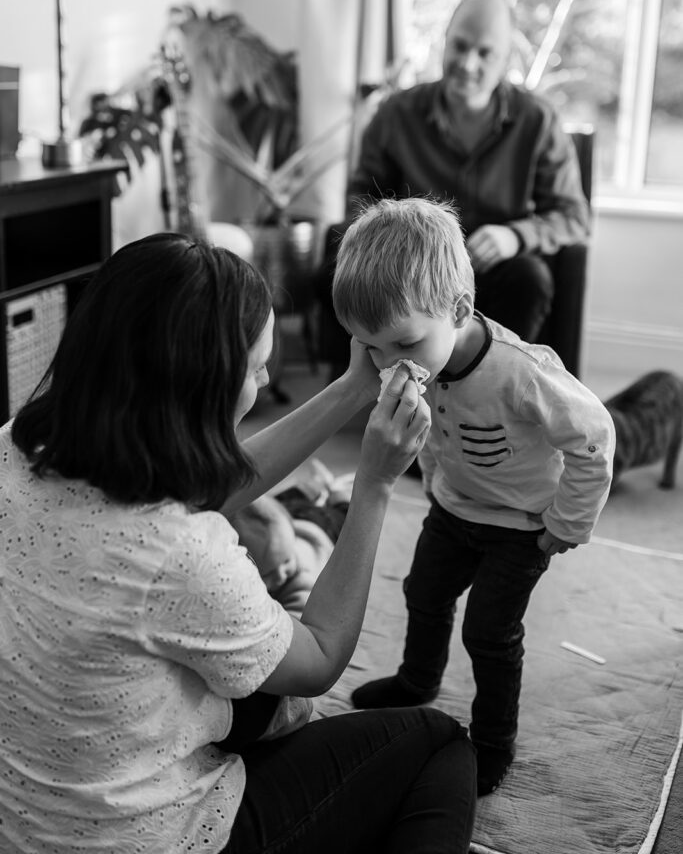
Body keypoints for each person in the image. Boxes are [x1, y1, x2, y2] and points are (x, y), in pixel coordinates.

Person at [0, 233, 478, 854]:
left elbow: (196, 489)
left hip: (27, 819)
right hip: (147, 838)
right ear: (206, 387)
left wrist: (356, 387)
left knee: (252, 692)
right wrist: (375, 485)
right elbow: (320, 659)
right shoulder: (180, 550)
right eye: (257, 370)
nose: (268, 378)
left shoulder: (17, 445)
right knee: (440, 744)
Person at [331, 197, 615, 797]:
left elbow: (594, 438)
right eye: (369, 347)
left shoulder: (522, 373)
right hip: (454, 507)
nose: (385, 363)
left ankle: (492, 742)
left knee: (489, 631)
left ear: (459, 308)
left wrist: (567, 522)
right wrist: (433, 479)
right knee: (423, 592)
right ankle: (417, 680)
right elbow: (434, 431)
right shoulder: (418, 362)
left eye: (400, 343)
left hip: (522, 524)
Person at [317, 0, 590, 374]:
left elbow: (573, 216)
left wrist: (515, 236)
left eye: (484, 53)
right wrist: (397, 243)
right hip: (408, 269)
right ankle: (362, 382)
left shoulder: (538, 121)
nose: (467, 63)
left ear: (506, 60)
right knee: (335, 246)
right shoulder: (396, 113)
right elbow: (360, 198)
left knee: (530, 277)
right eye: (459, 46)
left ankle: (498, 385)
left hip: (490, 266)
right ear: (444, 43)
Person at [229, 494, 336, 616]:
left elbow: (301, 621)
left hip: (330, 531)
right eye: (267, 574)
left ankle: (335, 496)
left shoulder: (303, 581)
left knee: (341, 511)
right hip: (301, 522)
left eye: (286, 560)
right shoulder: (279, 542)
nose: (280, 575)